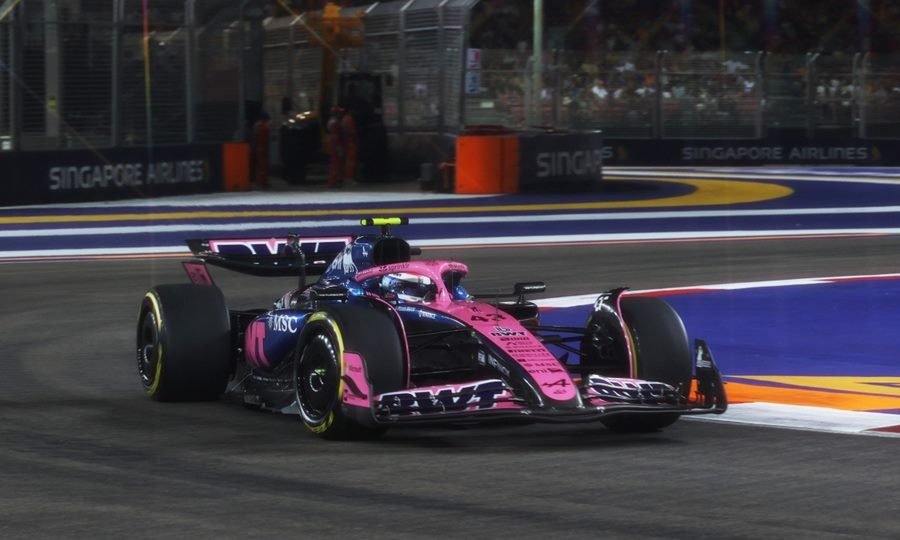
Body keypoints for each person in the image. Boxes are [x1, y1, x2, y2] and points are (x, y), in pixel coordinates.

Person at [326, 106, 345, 188]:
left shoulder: (331, 122)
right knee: (336, 164)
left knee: (334, 164)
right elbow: (337, 136)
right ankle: (333, 182)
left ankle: (333, 181)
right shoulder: (335, 123)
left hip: (333, 144)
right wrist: (339, 148)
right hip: (335, 145)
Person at [252, 111, 271, 188]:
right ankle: (262, 182)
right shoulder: (263, 126)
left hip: (260, 146)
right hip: (262, 147)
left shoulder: (258, 126)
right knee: (262, 165)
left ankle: (260, 181)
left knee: (261, 165)